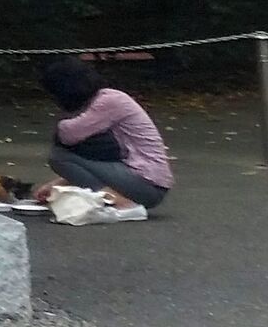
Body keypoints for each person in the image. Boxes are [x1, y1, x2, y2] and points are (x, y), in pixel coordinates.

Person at [40, 58, 173, 222]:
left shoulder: (109, 101)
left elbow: (68, 135)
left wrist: (61, 124)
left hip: (147, 183)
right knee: (70, 153)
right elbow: (94, 162)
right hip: (145, 181)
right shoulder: (105, 99)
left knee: (58, 156)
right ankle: (117, 199)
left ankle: (123, 204)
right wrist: (60, 184)